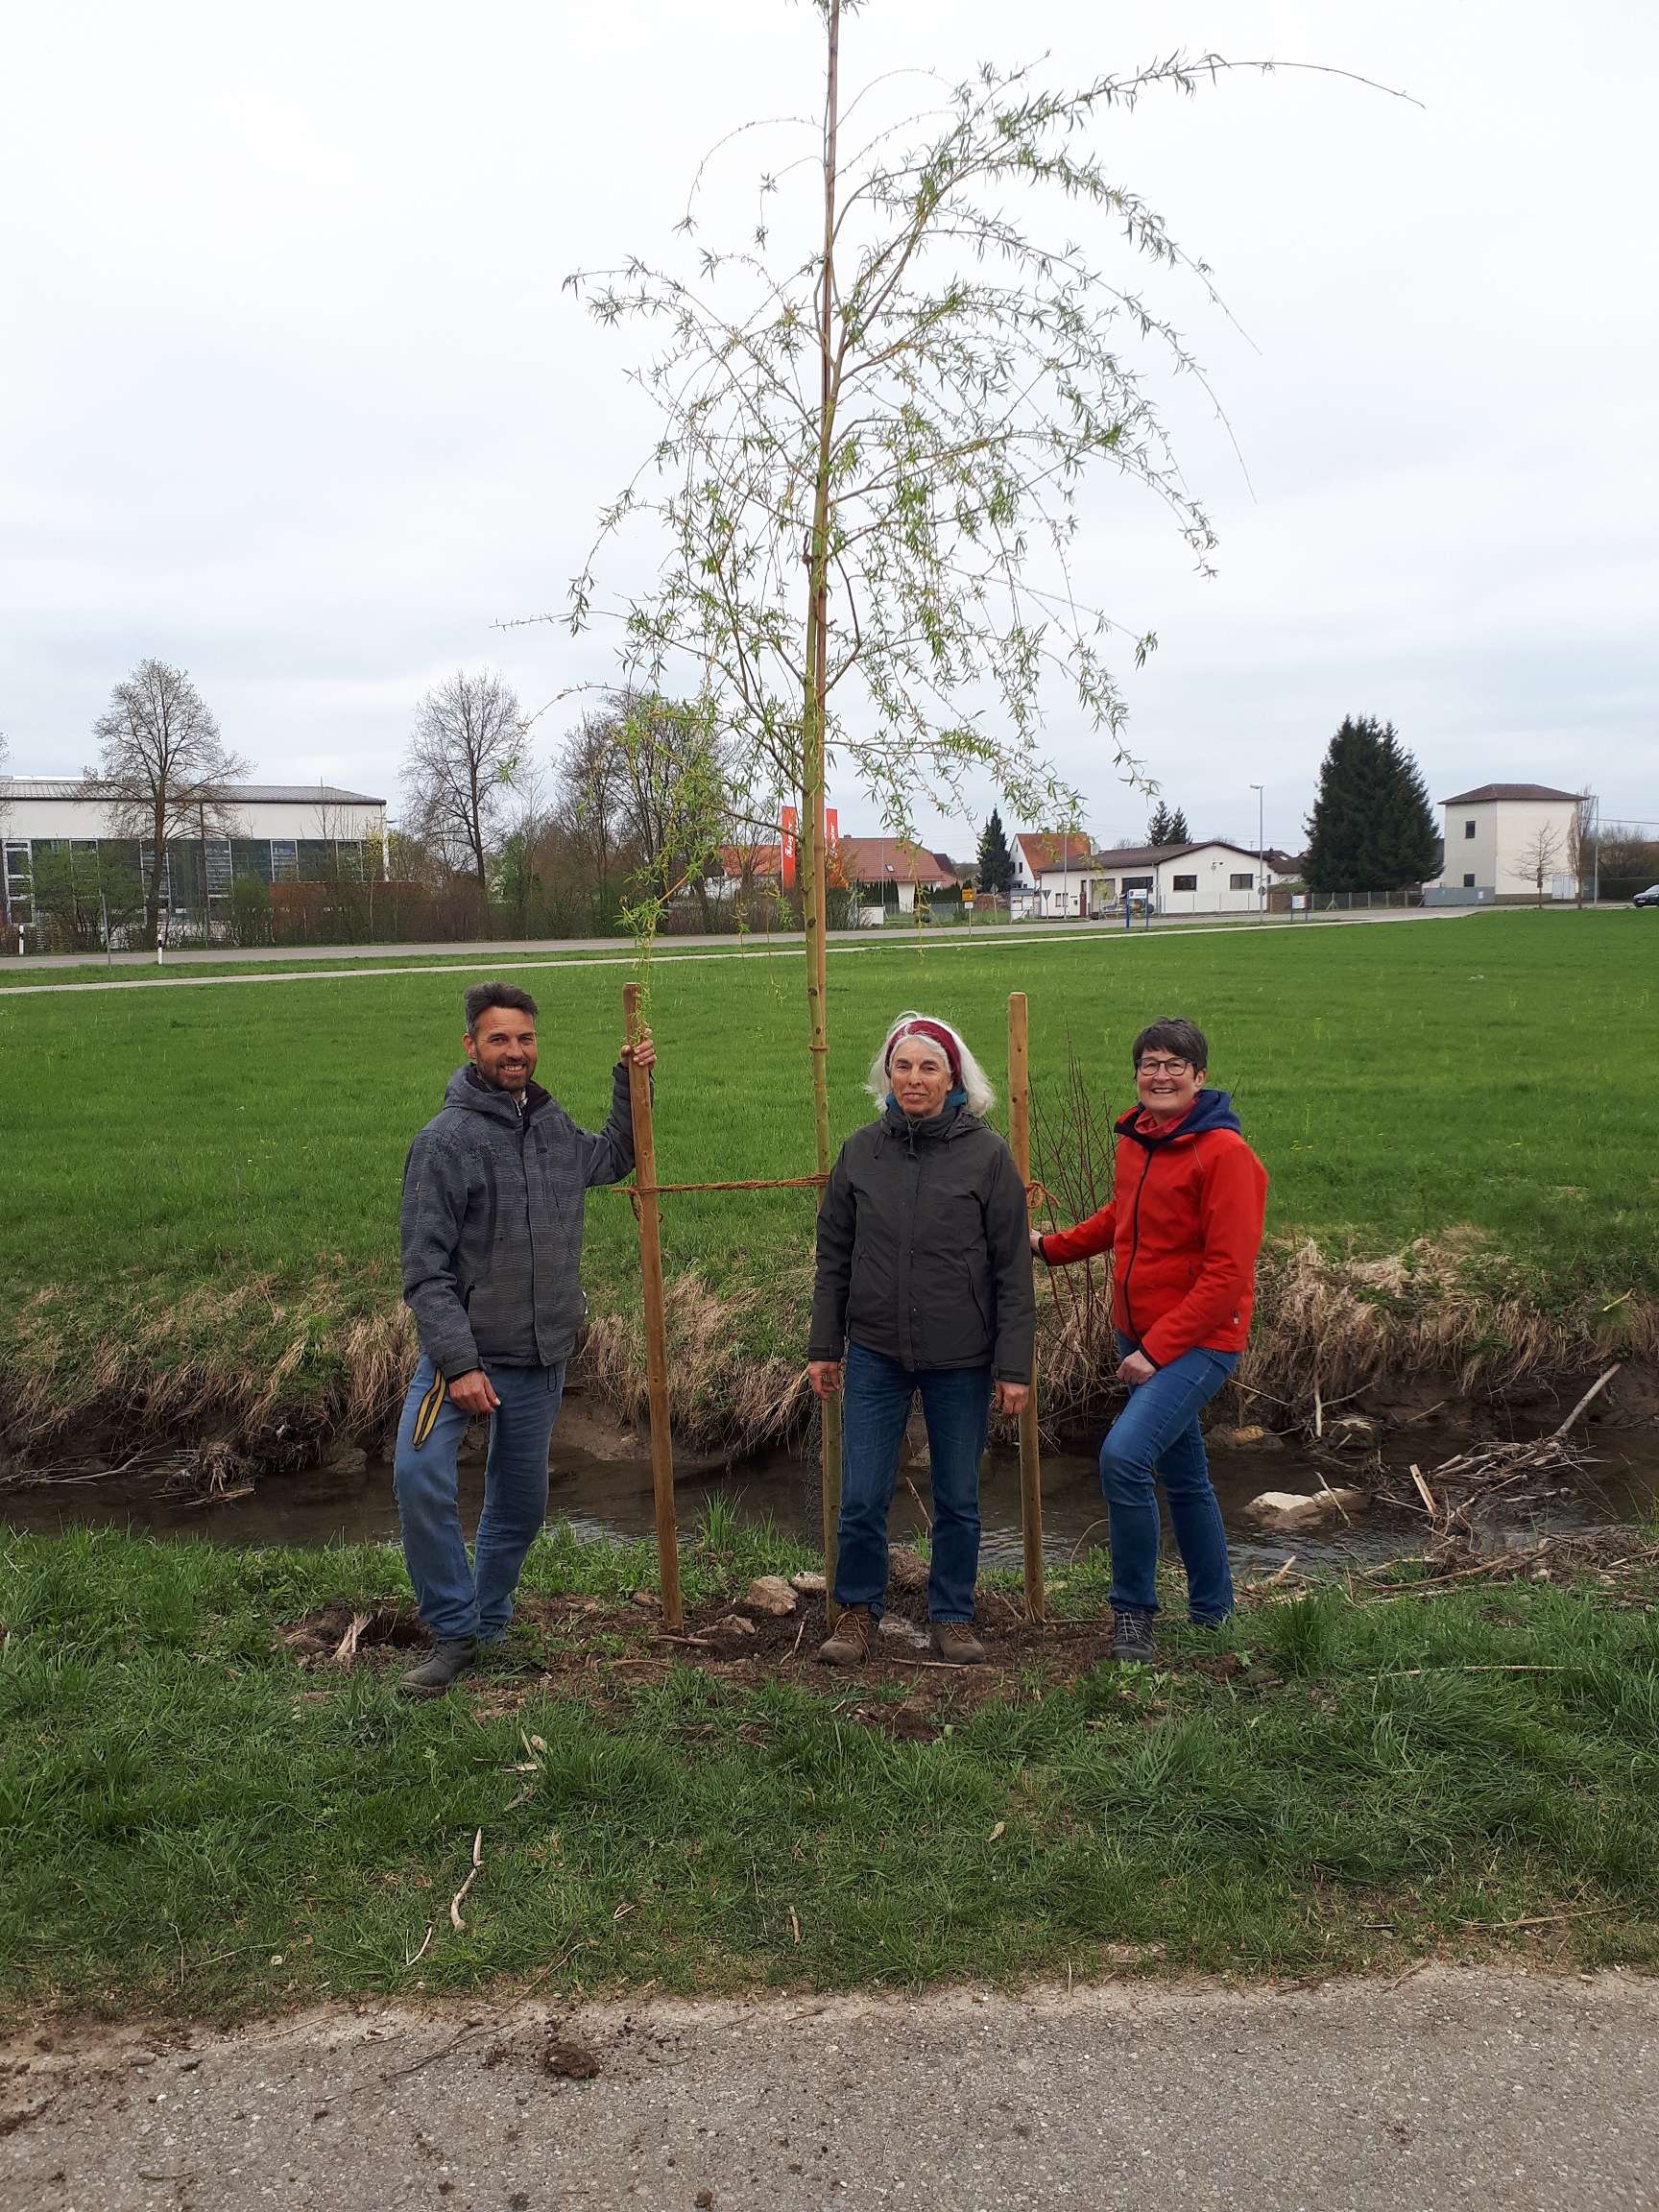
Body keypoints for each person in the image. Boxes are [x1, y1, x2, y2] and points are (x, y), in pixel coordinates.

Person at [394, 981, 655, 1696]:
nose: (516, 1052)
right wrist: (460, 1365)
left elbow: (612, 1158)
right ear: (471, 1045)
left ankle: (487, 1615)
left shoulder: (546, 1124)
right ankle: (454, 1629)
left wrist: (633, 1083)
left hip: (541, 1357)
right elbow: (425, 1271)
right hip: (462, 1361)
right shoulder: (445, 1142)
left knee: (521, 1506)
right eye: (500, 1039)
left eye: (526, 1039)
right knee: (419, 1479)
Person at [1035, 1017, 1266, 1663]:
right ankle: (1214, 1614)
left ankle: (1133, 1613)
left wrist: (1158, 1350)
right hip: (1135, 1332)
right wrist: (1052, 1249)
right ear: (1137, 1074)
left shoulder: (1226, 1156)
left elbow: (1228, 1275)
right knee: (1186, 1478)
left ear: (1200, 1077)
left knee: (1123, 1458)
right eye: (1149, 1064)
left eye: (1175, 1065)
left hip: (1199, 1342)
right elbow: (1121, 1219)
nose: (1160, 1075)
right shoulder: (1137, 1139)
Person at [807, 1013, 1035, 1666]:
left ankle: (952, 1616)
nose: (913, 1078)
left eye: (927, 1067)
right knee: (861, 1493)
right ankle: (856, 1612)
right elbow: (834, 1256)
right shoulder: (860, 1152)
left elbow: (1011, 1271)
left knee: (958, 1496)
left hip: (961, 1356)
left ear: (952, 1076)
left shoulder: (987, 1156)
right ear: (888, 1073)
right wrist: (825, 1348)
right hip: (876, 1350)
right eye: (902, 1066)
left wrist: (1012, 1366)